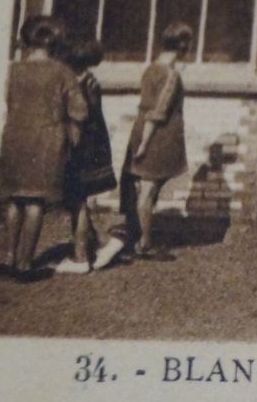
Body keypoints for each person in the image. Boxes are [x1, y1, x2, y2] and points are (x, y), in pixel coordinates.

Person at [0, 15, 86, 283]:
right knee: (35, 201)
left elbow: (6, 101)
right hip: (46, 140)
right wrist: (73, 138)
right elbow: (80, 110)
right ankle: (25, 264)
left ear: (25, 40)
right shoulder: (62, 72)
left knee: (13, 199)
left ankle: (9, 258)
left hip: (14, 137)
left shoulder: (12, 69)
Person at [122, 22, 194, 259]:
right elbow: (158, 112)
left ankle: (139, 234)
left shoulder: (151, 68)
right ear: (183, 46)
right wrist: (144, 144)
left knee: (146, 187)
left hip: (141, 129)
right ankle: (145, 244)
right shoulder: (171, 75)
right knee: (149, 188)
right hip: (157, 135)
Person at [53, 38, 125, 275]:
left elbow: (79, 118)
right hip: (93, 146)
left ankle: (81, 256)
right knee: (76, 199)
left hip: (81, 147)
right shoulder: (91, 81)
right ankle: (97, 242)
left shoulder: (76, 85)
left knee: (77, 200)